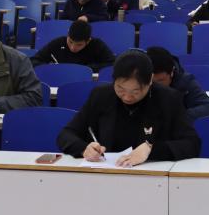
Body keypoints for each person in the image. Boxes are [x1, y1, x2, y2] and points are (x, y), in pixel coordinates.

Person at [57, 50, 201, 165]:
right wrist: (84, 148)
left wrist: (151, 149)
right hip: (108, 174)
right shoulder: (100, 96)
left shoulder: (169, 99)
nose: (127, 97)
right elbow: (66, 134)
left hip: (153, 177)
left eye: (136, 92)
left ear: (150, 81)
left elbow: (192, 144)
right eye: (120, 89)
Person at [145, 46, 209, 120]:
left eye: (161, 80)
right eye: (151, 81)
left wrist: (179, 116)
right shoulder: (140, 82)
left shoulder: (185, 81)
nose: (155, 85)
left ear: (172, 72)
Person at [31, 19, 115, 71]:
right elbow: (34, 60)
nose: (73, 48)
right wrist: (50, 68)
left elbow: (112, 63)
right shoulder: (58, 43)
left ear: (88, 41)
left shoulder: (97, 45)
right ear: (67, 35)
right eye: (70, 42)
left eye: (79, 45)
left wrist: (87, 68)